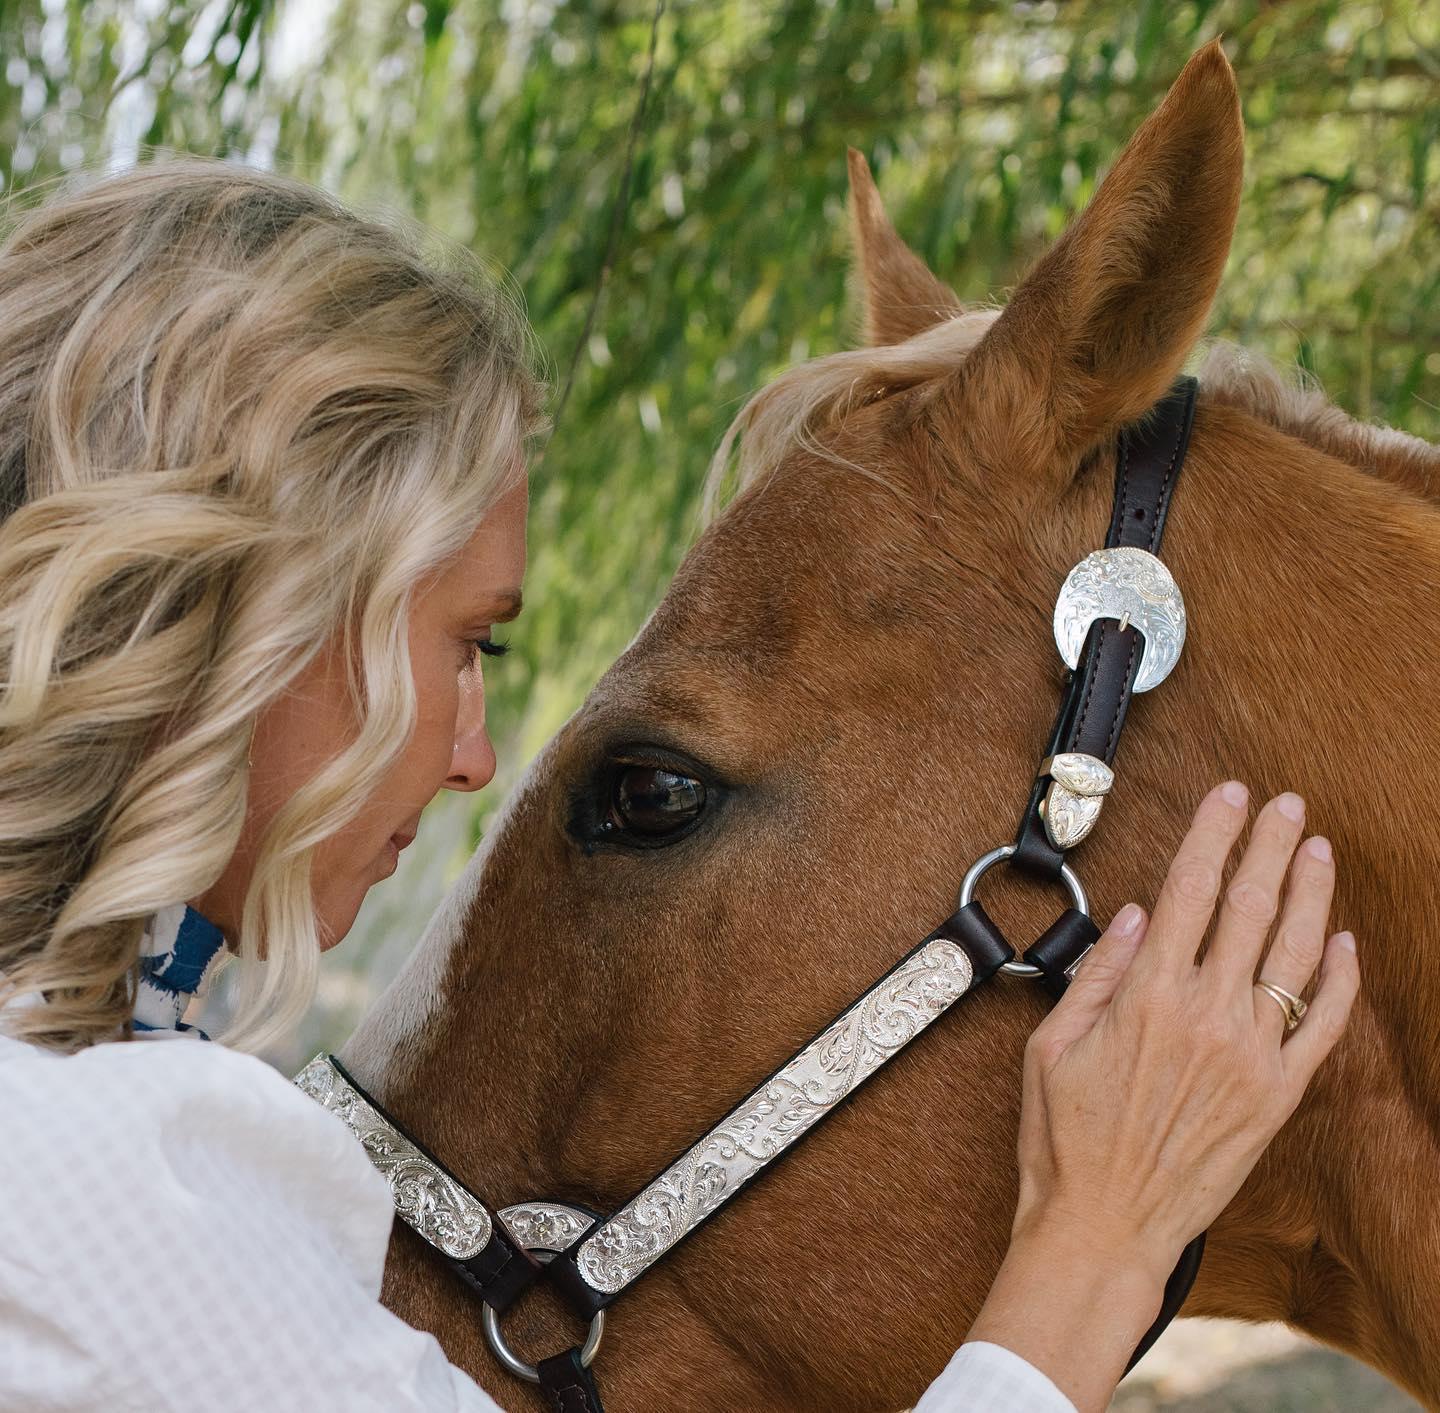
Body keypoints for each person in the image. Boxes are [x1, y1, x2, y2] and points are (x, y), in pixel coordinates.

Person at [0, 160, 1359, 1413]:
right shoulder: (95, 1197)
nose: (473, 754)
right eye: (470, 640)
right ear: (253, 608)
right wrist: (1096, 1247)